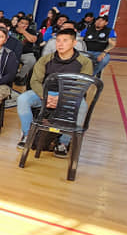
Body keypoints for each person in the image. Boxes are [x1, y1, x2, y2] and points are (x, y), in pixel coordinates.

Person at [16, 28, 93, 157]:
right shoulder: (45, 59)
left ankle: (64, 142)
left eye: (65, 41)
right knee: (23, 99)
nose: (60, 44)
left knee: (82, 106)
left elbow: (82, 85)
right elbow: (35, 81)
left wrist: (62, 99)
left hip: (69, 96)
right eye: (58, 41)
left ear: (74, 43)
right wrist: (45, 96)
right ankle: (27, 135)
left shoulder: (85, 62)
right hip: (46, 94)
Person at [11, 16, 38, 83]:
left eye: (26, 24)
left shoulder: (31, 31)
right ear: (18, 23)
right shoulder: (12, 30)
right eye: (22, 23)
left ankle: (19, 77)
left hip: (25, 53)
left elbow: (33, 40)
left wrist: (23, 32)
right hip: (12, 52)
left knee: (31, 61)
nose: (24, 25)